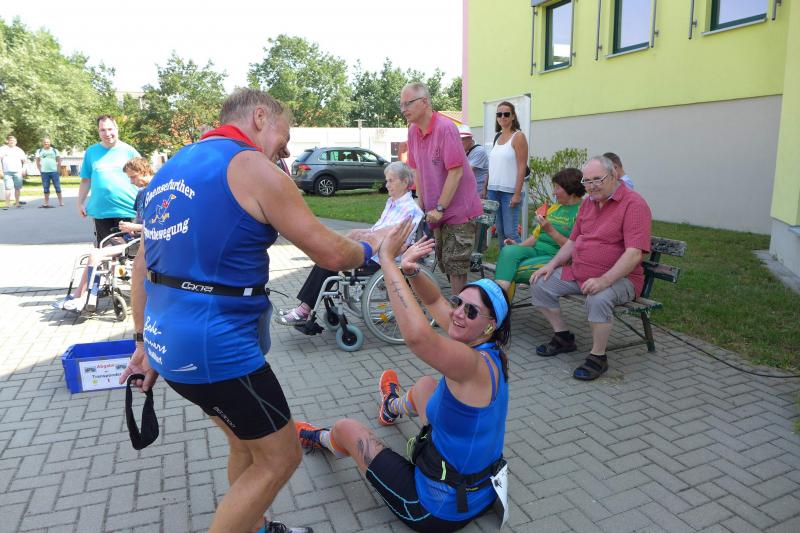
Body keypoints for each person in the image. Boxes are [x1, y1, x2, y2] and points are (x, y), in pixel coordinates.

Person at [120, 88, 391, 533]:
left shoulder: (172, 167)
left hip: (169, 342)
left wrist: (141, 340)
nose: (285, 150)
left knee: (246, 444)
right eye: (284, 136)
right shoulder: (251, 167)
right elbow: (328, 253)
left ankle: (257, 526)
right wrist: (371, 246)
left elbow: (142, 265)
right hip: (217, 350)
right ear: (261, 117)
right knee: (280, 457)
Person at [295, 218, 510, 533]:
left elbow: (419, 338)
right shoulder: (489, 351)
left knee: (348, 429)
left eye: (471, 311)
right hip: (480, 490)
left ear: (490, 324)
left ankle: (320, 440)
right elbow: (434, 301)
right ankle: (391, 406)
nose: (458, 313)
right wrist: (410, 271)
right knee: (425, 386)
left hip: (435, 509)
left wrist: (387, 260)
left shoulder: (470, 364)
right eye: (459, 302)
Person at [531, 155, 652, 381]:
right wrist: (551, 265)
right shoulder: (588, 203)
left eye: (597, 179)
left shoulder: (634, 204)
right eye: (586, 181)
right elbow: (573, 241)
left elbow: (634, 253)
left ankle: (598, 357)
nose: (591, 186)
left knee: (598, 298)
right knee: (541, 283)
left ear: (613, 175)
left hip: (620, 279)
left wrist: (604, 281)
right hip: (581, 273)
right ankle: (563, 337)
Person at [275, 161, 423, 326]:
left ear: (404, 181)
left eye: (391, 181)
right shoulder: (392, 203)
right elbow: (377, 230)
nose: (386, 185)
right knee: (327, 255)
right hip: (370, 250)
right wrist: (361, 233)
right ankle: (304, 308)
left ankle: (303, 310)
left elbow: (396, 239)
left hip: (380, 259)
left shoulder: (411, 210)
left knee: (330, 260)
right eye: (386, 180)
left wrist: (366, 236)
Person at [402, 82, 483, 295]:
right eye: (401, 105)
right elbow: (416, 169)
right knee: (444, 262)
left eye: (407, 103)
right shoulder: (413, 131)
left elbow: (456, 172)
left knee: (455, 266)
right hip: (435, 211)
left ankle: (462, 310)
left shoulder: (445, 128)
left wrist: (439, 207)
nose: (403, 110)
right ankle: (461, 304)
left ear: (424, 102)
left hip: (458, 210)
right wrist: (420, 202)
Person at [53, 157, 152, 313]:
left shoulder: (155, 192)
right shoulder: (141, 193)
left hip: (143, 243)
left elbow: (159, 225)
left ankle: (83, 296)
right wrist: (129, 229)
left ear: (144, 171)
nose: (131, 182)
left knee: (96, 254)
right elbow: (138, 218)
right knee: (99, 248)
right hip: (133, 239)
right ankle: (80, 295)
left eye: (133, 177)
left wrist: (134, 227)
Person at [493, 168, 585, 297]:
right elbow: (535, 236)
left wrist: (551, 231)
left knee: (511, 269)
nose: (554, 192)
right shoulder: (554, 208)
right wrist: (518, 246)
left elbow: (576, 249)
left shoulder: (582, 212)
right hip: (536, 251)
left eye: (557, 188)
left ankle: (496, 300)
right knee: (508, 251)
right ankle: (496, 300)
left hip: (556, 258)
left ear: (571, 189)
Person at [77, 115, 140, 245]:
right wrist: (80, 203)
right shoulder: (91, 152)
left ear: (117, 129)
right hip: (101, 212)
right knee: (105, 249)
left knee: (129, 250)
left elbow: (144, 177)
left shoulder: (129, 151)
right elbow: (86, 180)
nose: (107, 133)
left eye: (110, 129)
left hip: (127, 210)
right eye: (103, 130)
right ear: (98, 131)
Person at [487, 101, 529, 248]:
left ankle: (520, 260)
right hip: (494, 191)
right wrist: (485, 188)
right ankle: (504, 260)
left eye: (506, 114)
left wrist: (517, 194)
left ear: (513, 116)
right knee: (500, 231)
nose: (502, 117)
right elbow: (492, 166)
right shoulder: (497, 137)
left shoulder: (518, 136)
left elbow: (522, 167)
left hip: (509, 192)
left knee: (510, 233)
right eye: (499, 114)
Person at [458, 125, 488, 198]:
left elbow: (466, 172)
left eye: (462, 139)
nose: (460, 142)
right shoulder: (463, 150)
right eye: (458, 139)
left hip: (478, 192)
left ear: (470, 139)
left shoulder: (479, 151)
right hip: (469, 191)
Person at [0, 135, 28, 209]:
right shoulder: (3, 149)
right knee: (8, 188)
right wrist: (0, 170)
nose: (12, 142)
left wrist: (24, 169)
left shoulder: (19, 150)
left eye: (13, 141)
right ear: (8, 141)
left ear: (16, 142)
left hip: (18, 171)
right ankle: (7, 204)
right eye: (10, 140)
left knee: (17, 188)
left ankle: (17, 203)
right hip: (7, 171)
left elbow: (25, 161)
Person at [36, 137, 63, 208]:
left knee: (57, 187)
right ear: (43, 143)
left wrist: (58, 170)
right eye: (45, 142)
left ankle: (61, 202)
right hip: (44, 172)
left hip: (54, 172)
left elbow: (59, 160)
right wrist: (40, 170)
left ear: (50, 143)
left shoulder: (54, 150)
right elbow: (37, 161)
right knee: (46, 188)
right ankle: (46, 203)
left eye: (47, 142)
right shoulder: (39, 151)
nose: (46, 143)